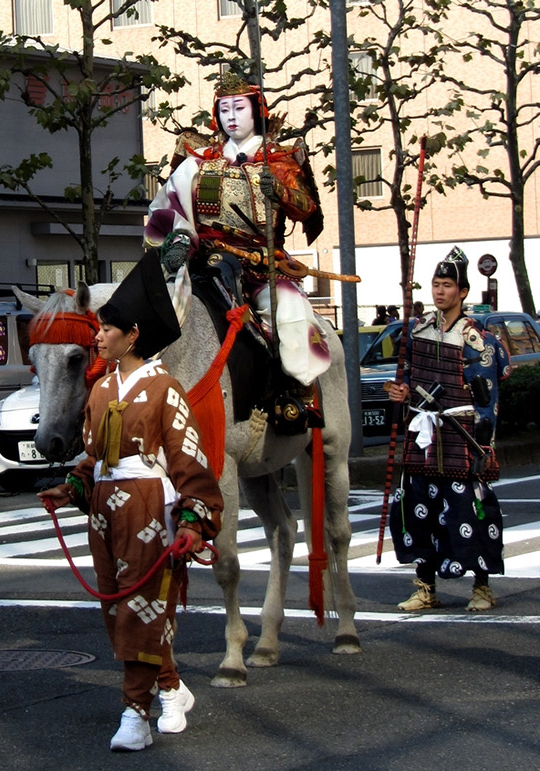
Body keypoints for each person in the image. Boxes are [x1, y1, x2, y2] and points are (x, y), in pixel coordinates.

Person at [38, 253, 223, 753]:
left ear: (133, 334)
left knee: (140, 608)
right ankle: (170, 687)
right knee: (118, 607)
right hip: (103, 510)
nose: (98, 337)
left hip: (147, 505)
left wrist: (193, 520)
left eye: (107, 329)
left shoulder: (166, 389)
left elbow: (190, 462)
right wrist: (72, 487)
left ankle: (135, 711)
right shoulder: (99, 391)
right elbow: (94, 456)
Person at [144, 71, 329, 391]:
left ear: (257, 111)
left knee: (291, 316)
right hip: (201, 263)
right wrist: (175, 242)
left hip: (260, 267)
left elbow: (308, 208)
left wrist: (282, 194)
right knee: (146, 316)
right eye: (225, 108)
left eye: (239, 108)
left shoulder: (280, 161)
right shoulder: (197, 160)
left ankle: (299, 394)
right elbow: (167, 208)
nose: (231, 116)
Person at [388, 247, 510, 612]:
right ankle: (425, 586)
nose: (439, 291)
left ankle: (482, 587)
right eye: (435, 285)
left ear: (463, 292)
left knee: (469, 510)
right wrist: (400, 391)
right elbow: (406, 378)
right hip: (422, 432)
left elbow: (489, 396)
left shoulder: (479, 340)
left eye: (447, 285)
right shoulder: (416, 330)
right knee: (418, 507)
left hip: (462, 433)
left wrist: (484, 446)